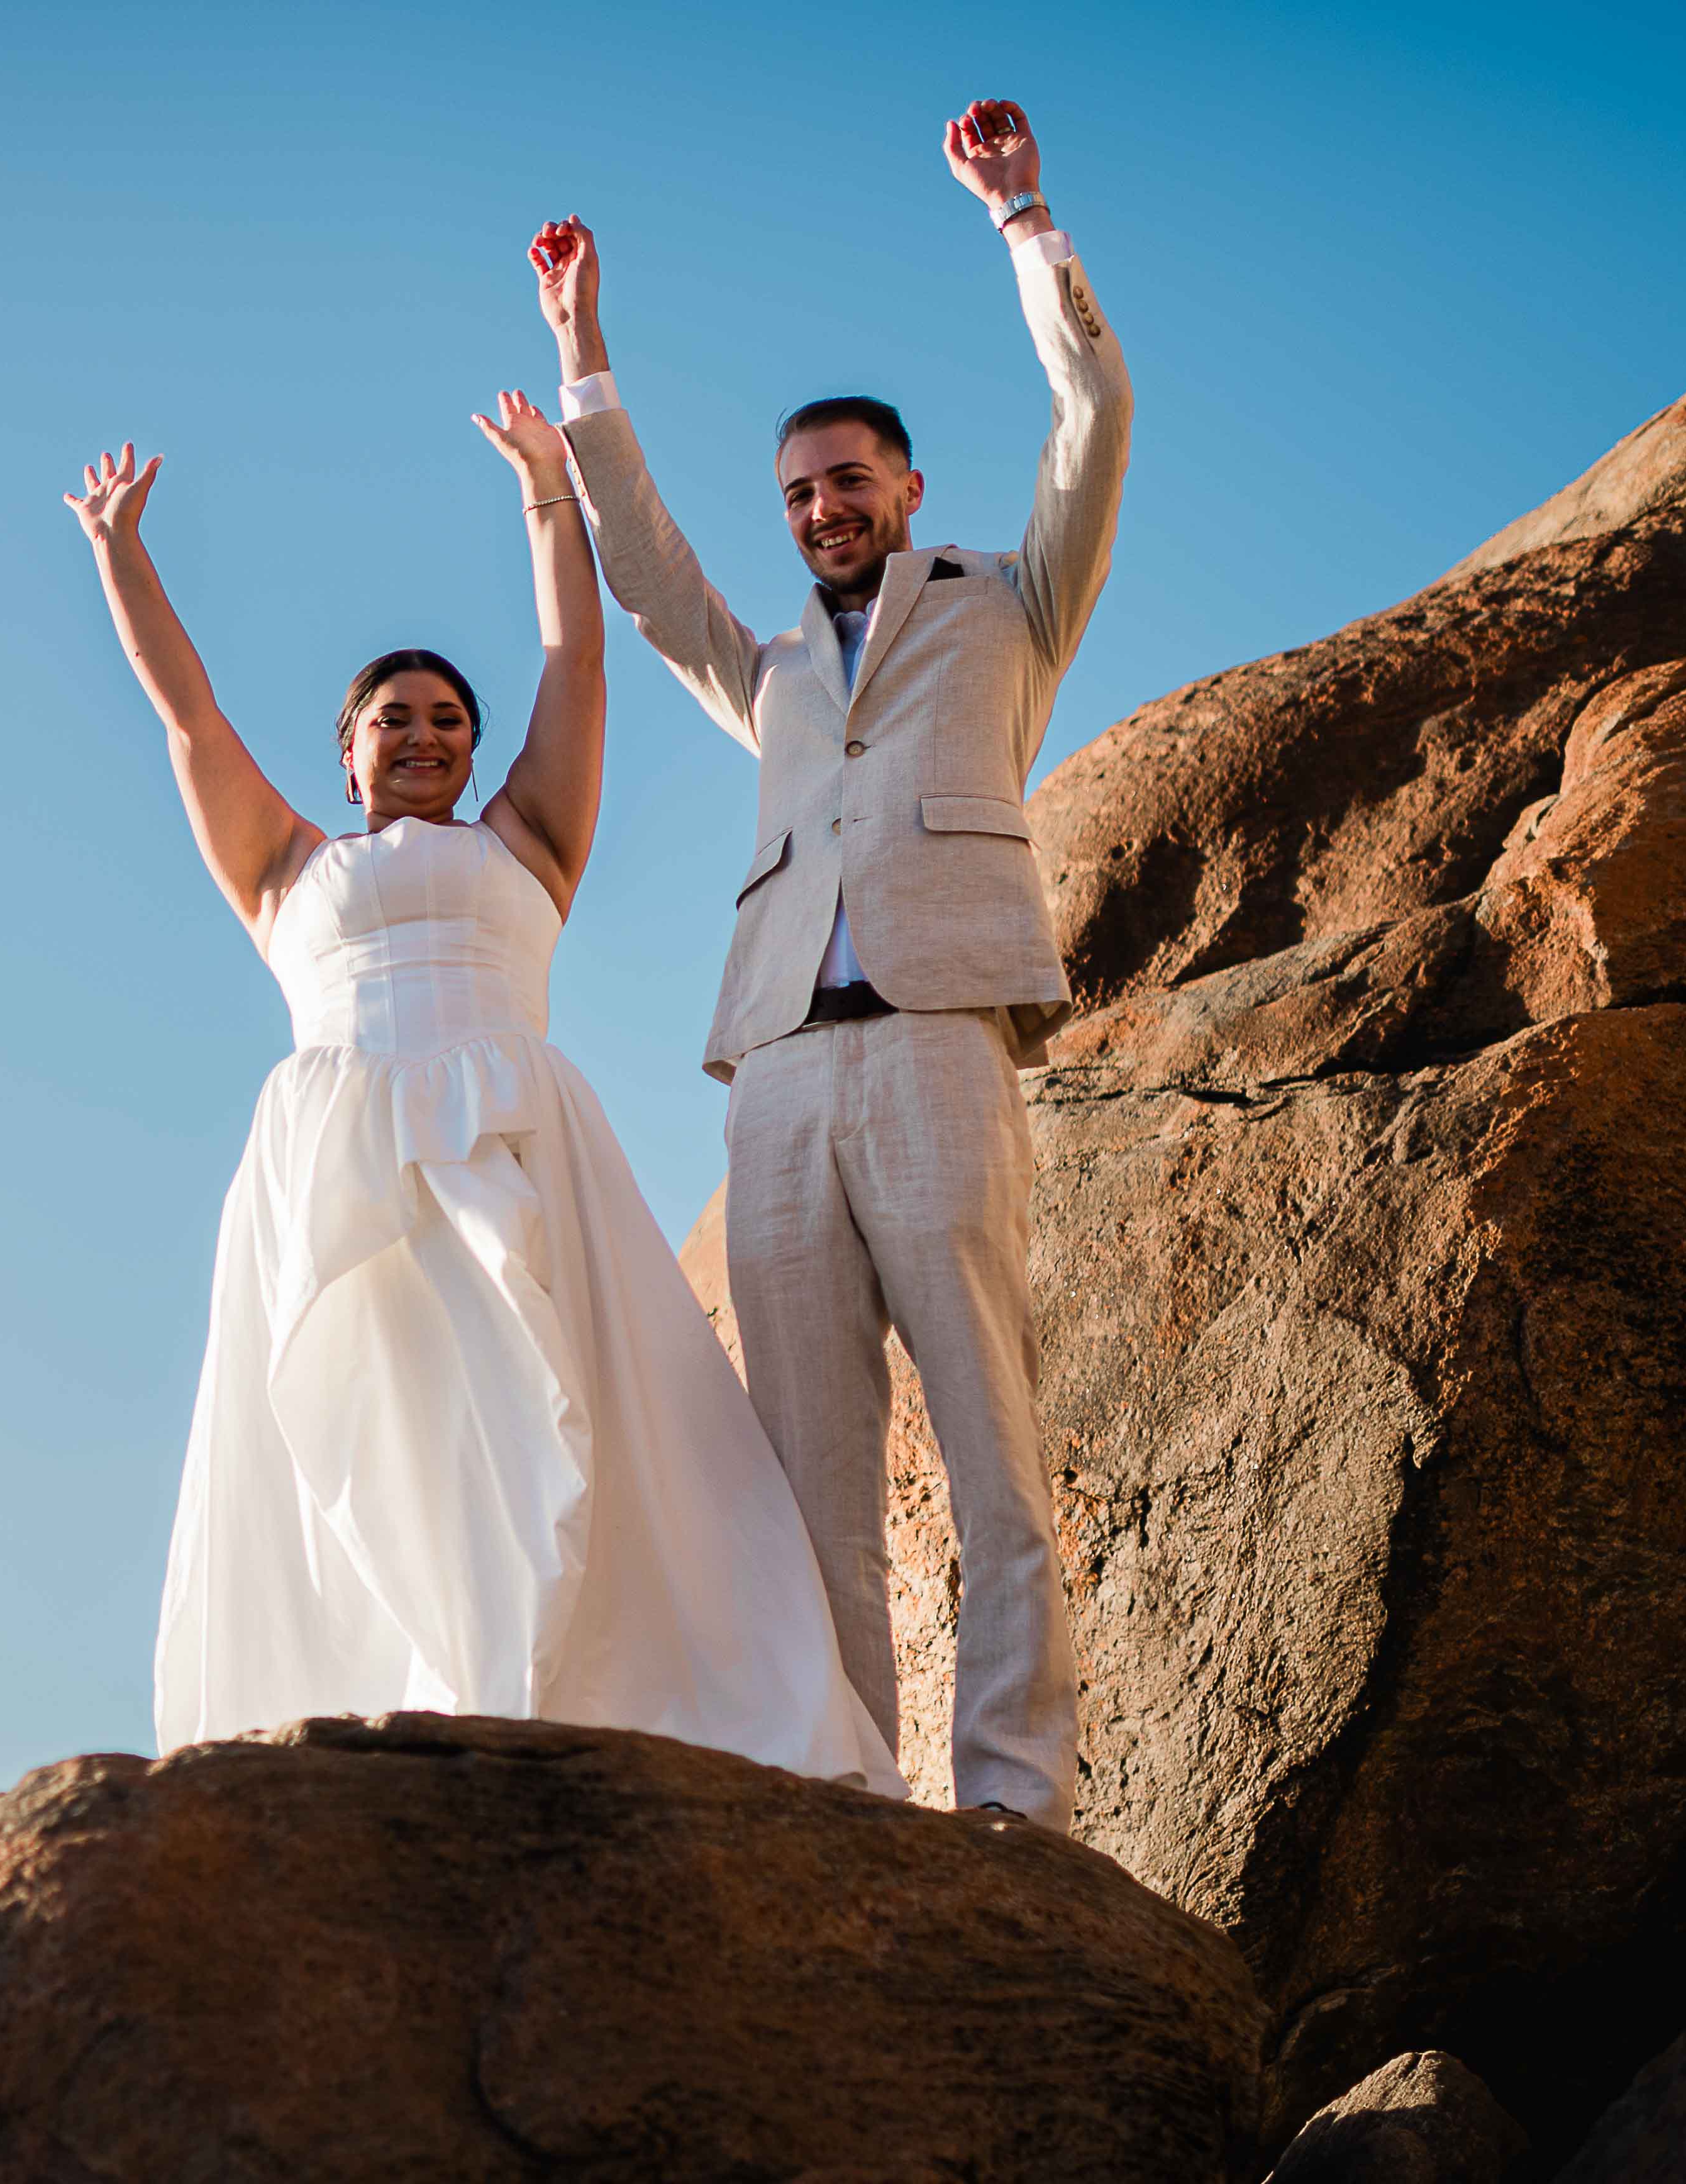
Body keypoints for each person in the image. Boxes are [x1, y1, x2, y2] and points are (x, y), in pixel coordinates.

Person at [64, 398, 899, 1793]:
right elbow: (188, 712)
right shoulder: (285, 872)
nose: (428, 735)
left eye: (451, 717)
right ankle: (402, 1710)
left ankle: (580, 1712)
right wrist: (118, 554)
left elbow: (578, 657)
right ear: (348, 753)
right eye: (395, 718)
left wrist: (545, 496)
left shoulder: (531, 839)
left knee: (556, 1430)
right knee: (389, 1445)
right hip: (349, 1183)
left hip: (517, 1151)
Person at [530, 97, 1131, 1827]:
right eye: (796, 492)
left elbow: (1090, 417)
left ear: (906, 488)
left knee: (989, 1449)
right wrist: (583, 355)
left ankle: (1012, 1799)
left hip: (939, 1039)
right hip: (780, 1072)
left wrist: (1022, 221)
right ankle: (848, 1792)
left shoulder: (1007, 603)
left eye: (846, 480)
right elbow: (644, 579)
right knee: (807, 1491)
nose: (820, 507)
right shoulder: (771, 669)